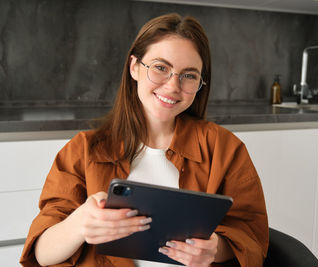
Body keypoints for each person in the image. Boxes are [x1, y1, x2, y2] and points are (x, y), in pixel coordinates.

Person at [20, 13, 268, 267]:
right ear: (134, 67)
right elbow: (41, 254)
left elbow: (253, 238)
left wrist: (215, 249)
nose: (173, 86)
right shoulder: (82, 150)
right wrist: (79, 224)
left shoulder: (225, 149)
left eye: (189, 75)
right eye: (161, 68)